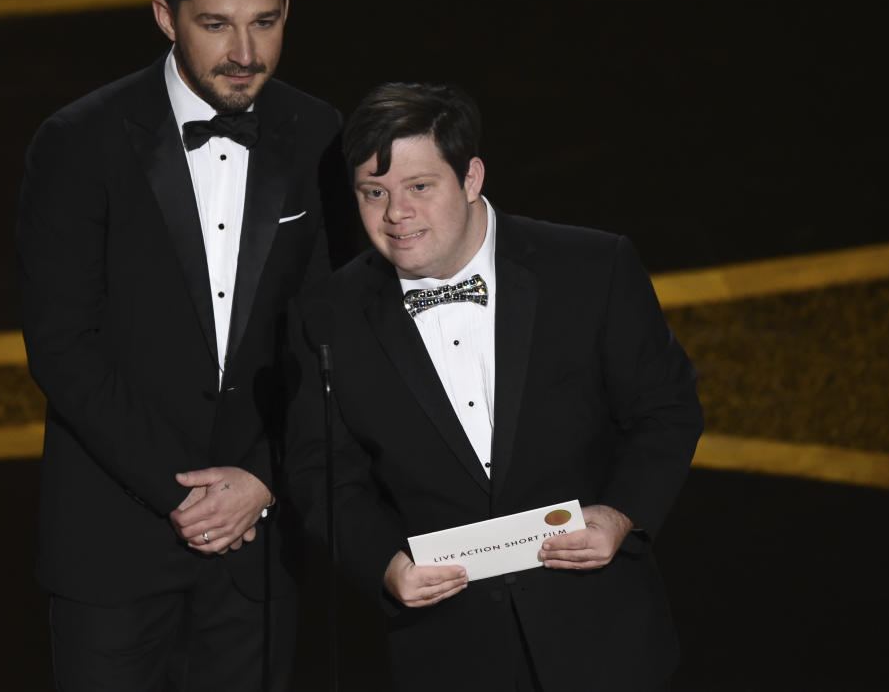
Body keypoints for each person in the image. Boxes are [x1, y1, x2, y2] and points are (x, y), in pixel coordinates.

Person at [16, 0, 350, 691]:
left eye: (264, 23)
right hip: (113, 543)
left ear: (287, 13)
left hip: (259, 544)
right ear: (167, 18)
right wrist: (186, 494)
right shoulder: (78, 142)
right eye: (216, 24)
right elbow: (63, 345)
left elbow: (329, 332)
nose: (244, 52)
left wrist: (262, 479)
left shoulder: (318, 133)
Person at [284, 83, 704, 691]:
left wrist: (621, 515)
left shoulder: (590, 269)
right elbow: (321, 467)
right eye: (374, 193)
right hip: (445, 650)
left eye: (419, 187)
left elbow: (666, 408)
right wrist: (384, 563)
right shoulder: (328, 314)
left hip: (602, 638)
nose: (395, 214)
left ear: (472, 177)